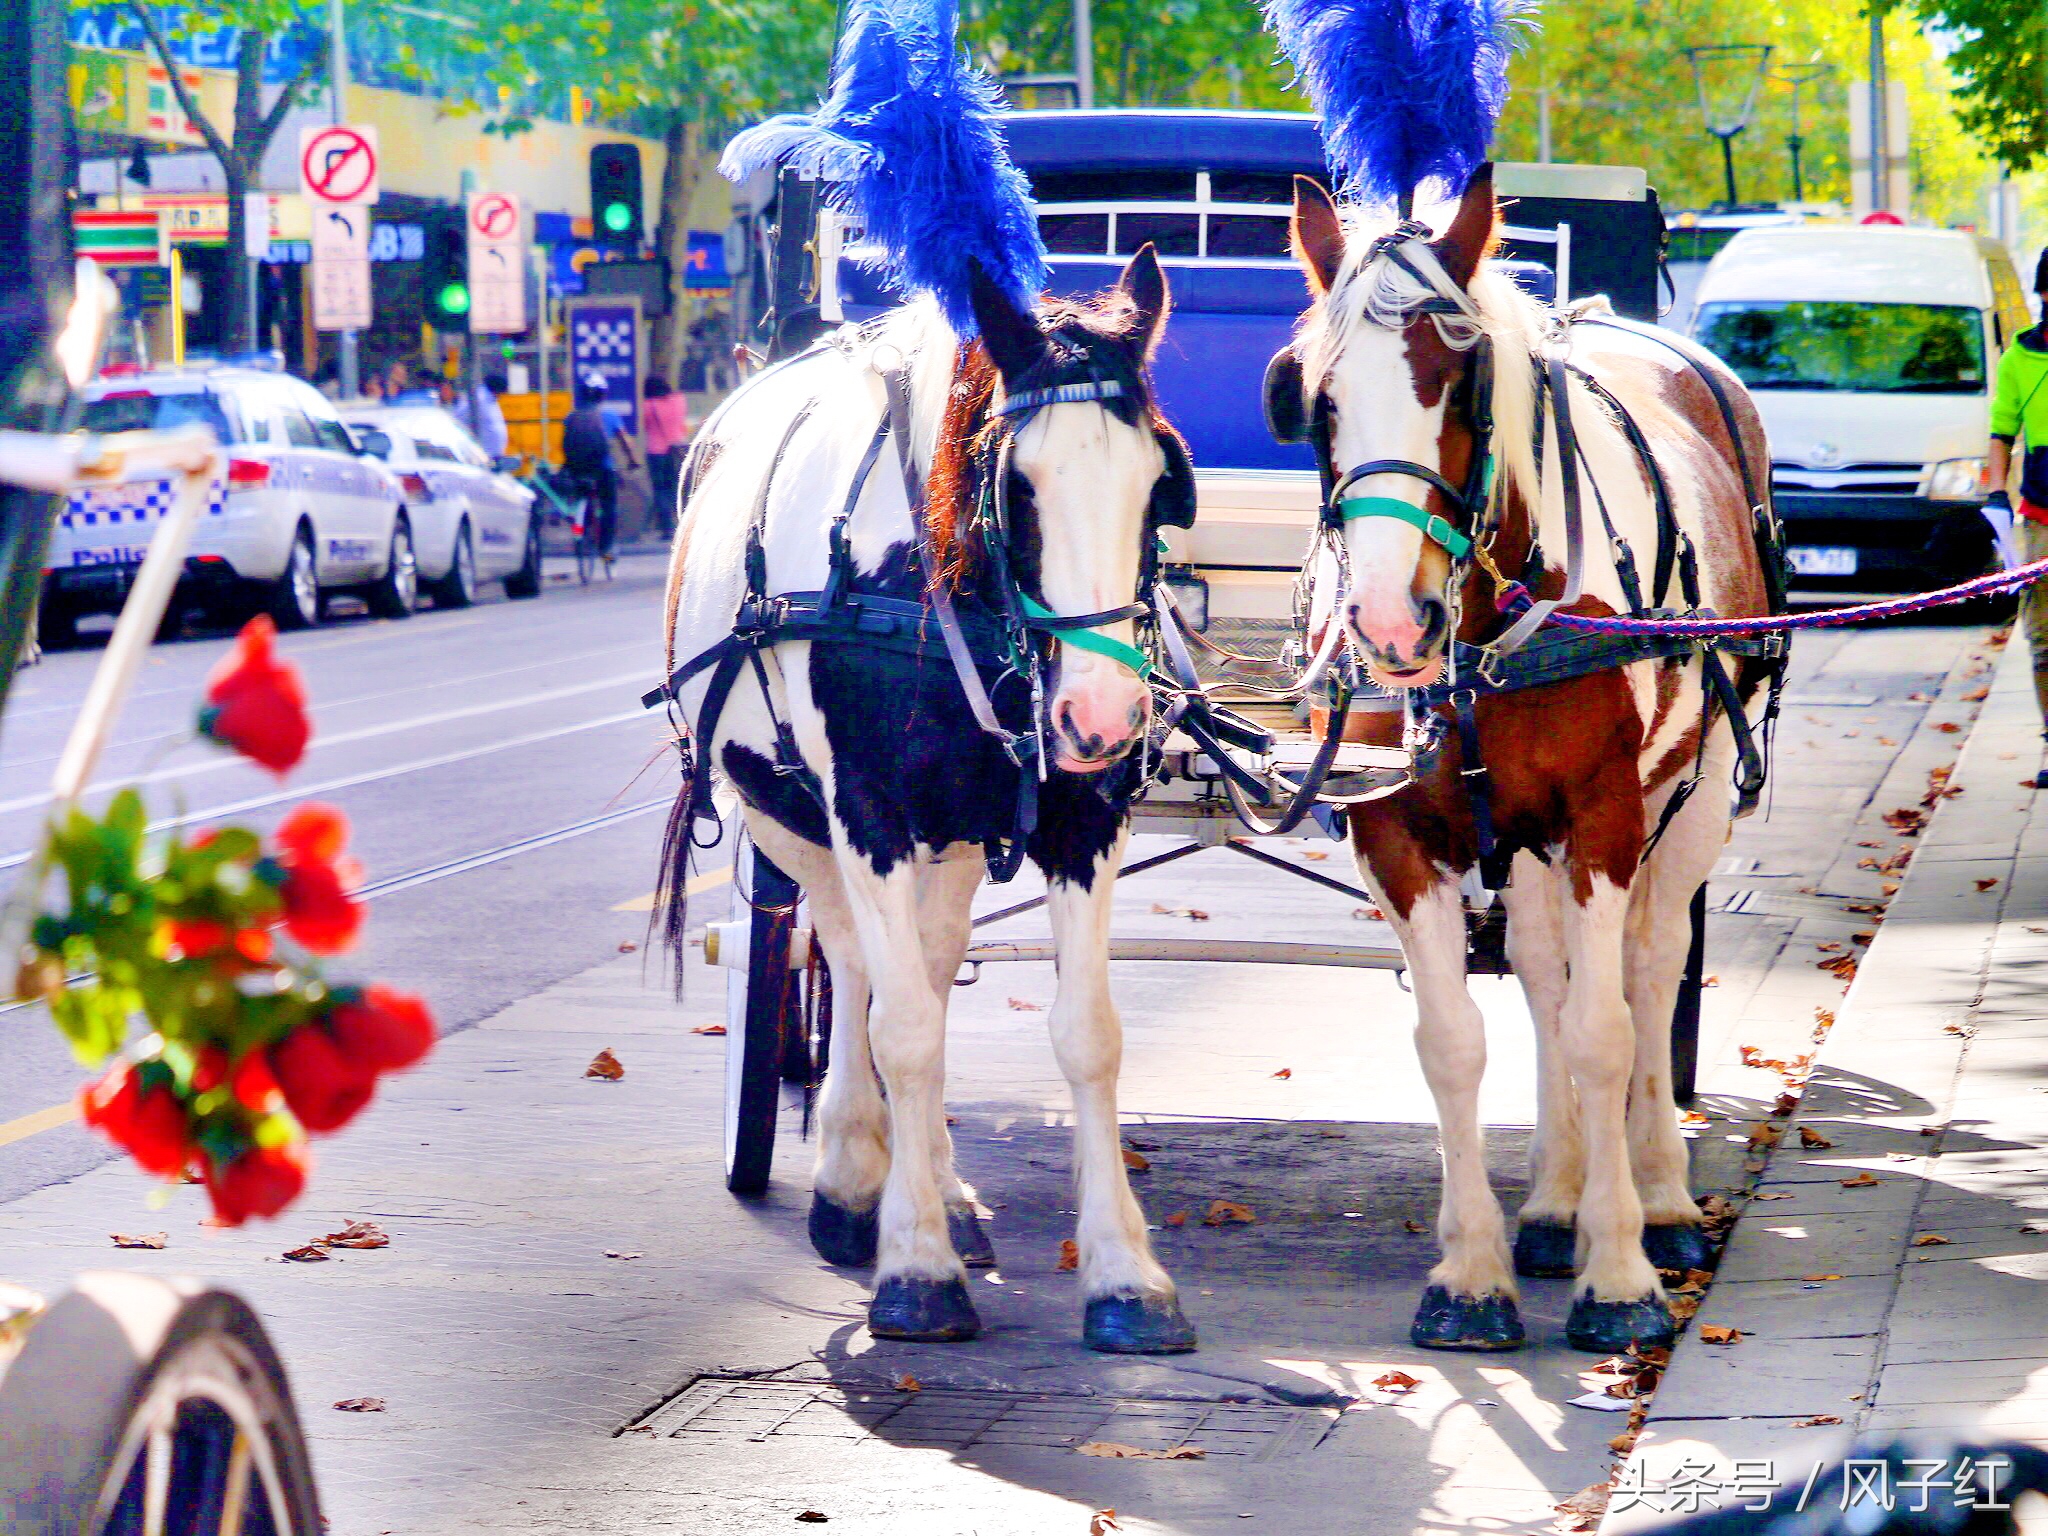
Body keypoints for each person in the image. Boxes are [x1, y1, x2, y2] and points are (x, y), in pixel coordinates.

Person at [1986, 246, 2048, 784]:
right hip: (2040, 517)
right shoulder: (2019, 359)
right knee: (2045, 639)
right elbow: (2002, 432)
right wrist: (1995, 492)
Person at [560, 375, 639, 564]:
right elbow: (624, 441)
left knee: (580, 497)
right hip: (603, 469)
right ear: (603, 395)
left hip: (577, 469)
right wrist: (632, 460)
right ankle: (606, 548)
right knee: (609, 506)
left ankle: (581, 531)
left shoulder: (572, 416)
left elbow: (565, 443)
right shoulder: (610, 415)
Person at [642, 374, 691, 538]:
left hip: (656, 451)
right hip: (677, 449)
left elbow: (645, 424)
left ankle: (666, 528)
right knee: (675, 488)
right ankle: (680, 522)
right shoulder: (679, 400)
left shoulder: (648, 405)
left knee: (660, 490)